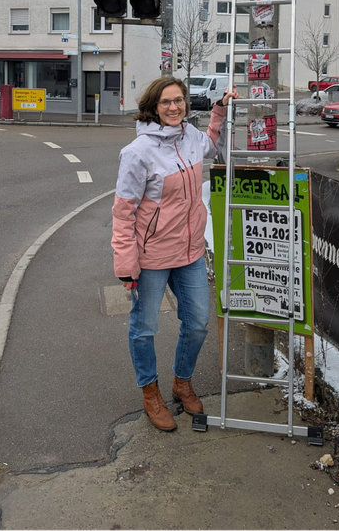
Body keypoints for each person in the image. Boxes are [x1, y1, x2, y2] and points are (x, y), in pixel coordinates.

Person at [113, 76, 227, 432]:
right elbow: (123, 212)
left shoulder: (191, 137)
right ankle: (150, 392)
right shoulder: (137, 153)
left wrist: (220, 111)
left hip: (190, 251)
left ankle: (182, 381)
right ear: (153, 107)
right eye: (166, 102)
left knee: (197, 322)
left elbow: (211, 144)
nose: (174, 107)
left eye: (179, 101)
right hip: (151, 257)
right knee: (144, 328)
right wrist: (126, 263)